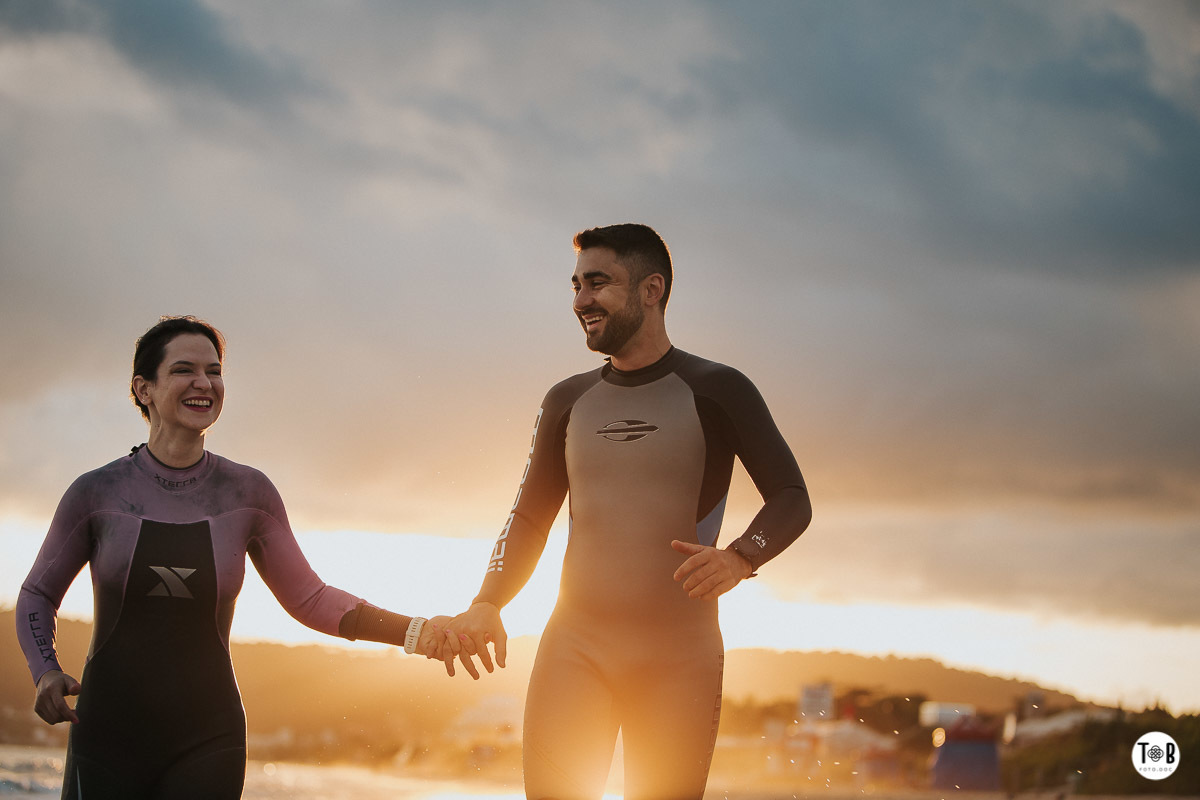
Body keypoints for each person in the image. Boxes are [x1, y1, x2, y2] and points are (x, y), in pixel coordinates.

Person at [15, 316, 472, 800]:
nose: (204, 383)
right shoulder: (98, 493)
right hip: (108, 734)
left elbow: (311, 599)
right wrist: (44, 670)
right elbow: (37, 594)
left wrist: (416, 632)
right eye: (184, 370)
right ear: (143, 388)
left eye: (214, 371)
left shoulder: (248, 494)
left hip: (208, 738)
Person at [444, 224, 813, 799]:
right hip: (575, 647)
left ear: (651, 289)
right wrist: (488, 601)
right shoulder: (567, 399)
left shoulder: (718, 388)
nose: (580, 300)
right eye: (575, 285)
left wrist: (741, 558)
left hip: (679, 656)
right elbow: (529, 516)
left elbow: (791, 496)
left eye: (598, 283)